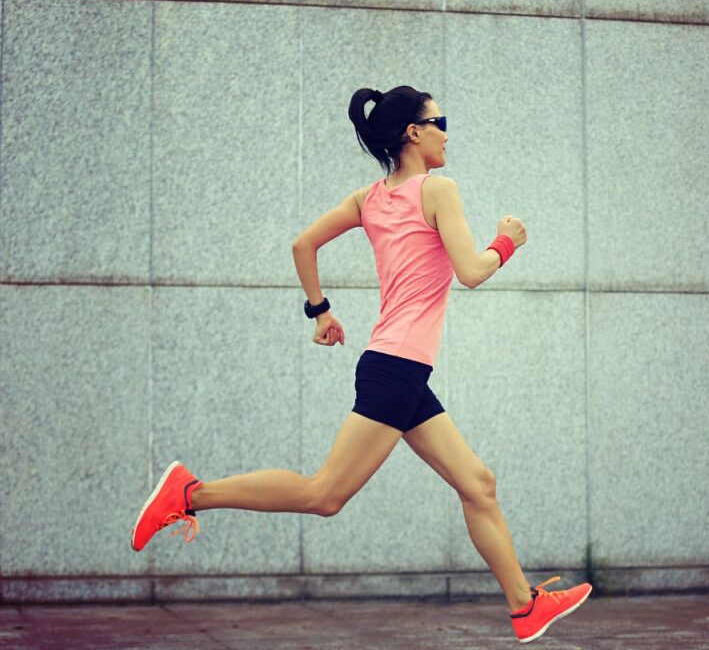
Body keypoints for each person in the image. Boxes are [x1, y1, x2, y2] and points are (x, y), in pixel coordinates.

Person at [130, 85, 591, 643]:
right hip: (396, 368)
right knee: (324, 495)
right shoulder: (438, 190)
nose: (447, 131)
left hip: (399, 368)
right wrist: (509, 241)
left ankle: (525, 606)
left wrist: (320, 312)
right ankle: (190, 492)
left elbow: (303, 244)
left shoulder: (368, 198)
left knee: (478, 483)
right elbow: (471, 271)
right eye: (439, 120)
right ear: (413, 133)